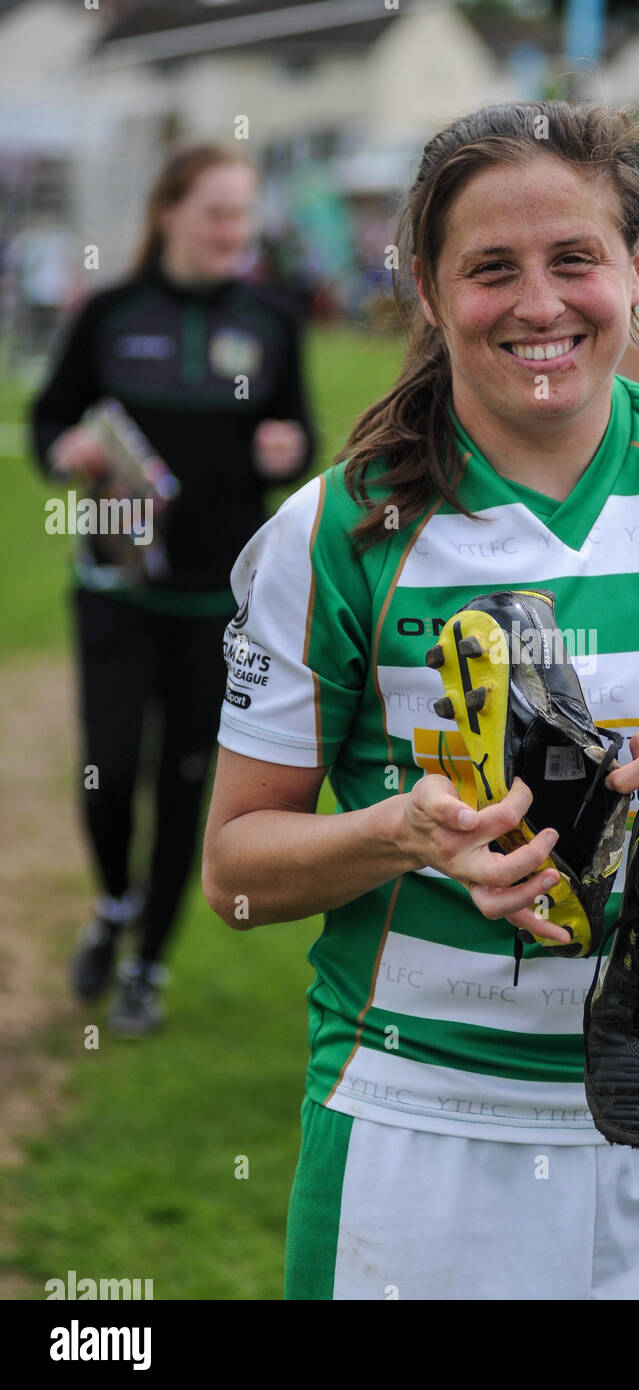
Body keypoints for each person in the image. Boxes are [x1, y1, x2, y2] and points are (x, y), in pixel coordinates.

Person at [201, 100, 639, 1300]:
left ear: (637, 266)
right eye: (492, 270)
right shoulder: (334, 532)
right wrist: (403, 834)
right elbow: (233, 870)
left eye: (574, 259)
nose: (540, 306)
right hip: (421, 1136)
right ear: (429, 291)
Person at [29, 143, 315, 1036]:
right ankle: (114, 904)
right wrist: (66, 450)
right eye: (217, 213)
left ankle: (147, 967)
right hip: (115, 583)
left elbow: (297, 431)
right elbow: (49, 420)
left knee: (189, 785)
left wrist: (288, 451)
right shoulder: (110, 313)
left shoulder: (271, 317)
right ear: (170, 213)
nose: (235, 231)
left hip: (220, 601)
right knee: (109, 773)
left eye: (243, 214)